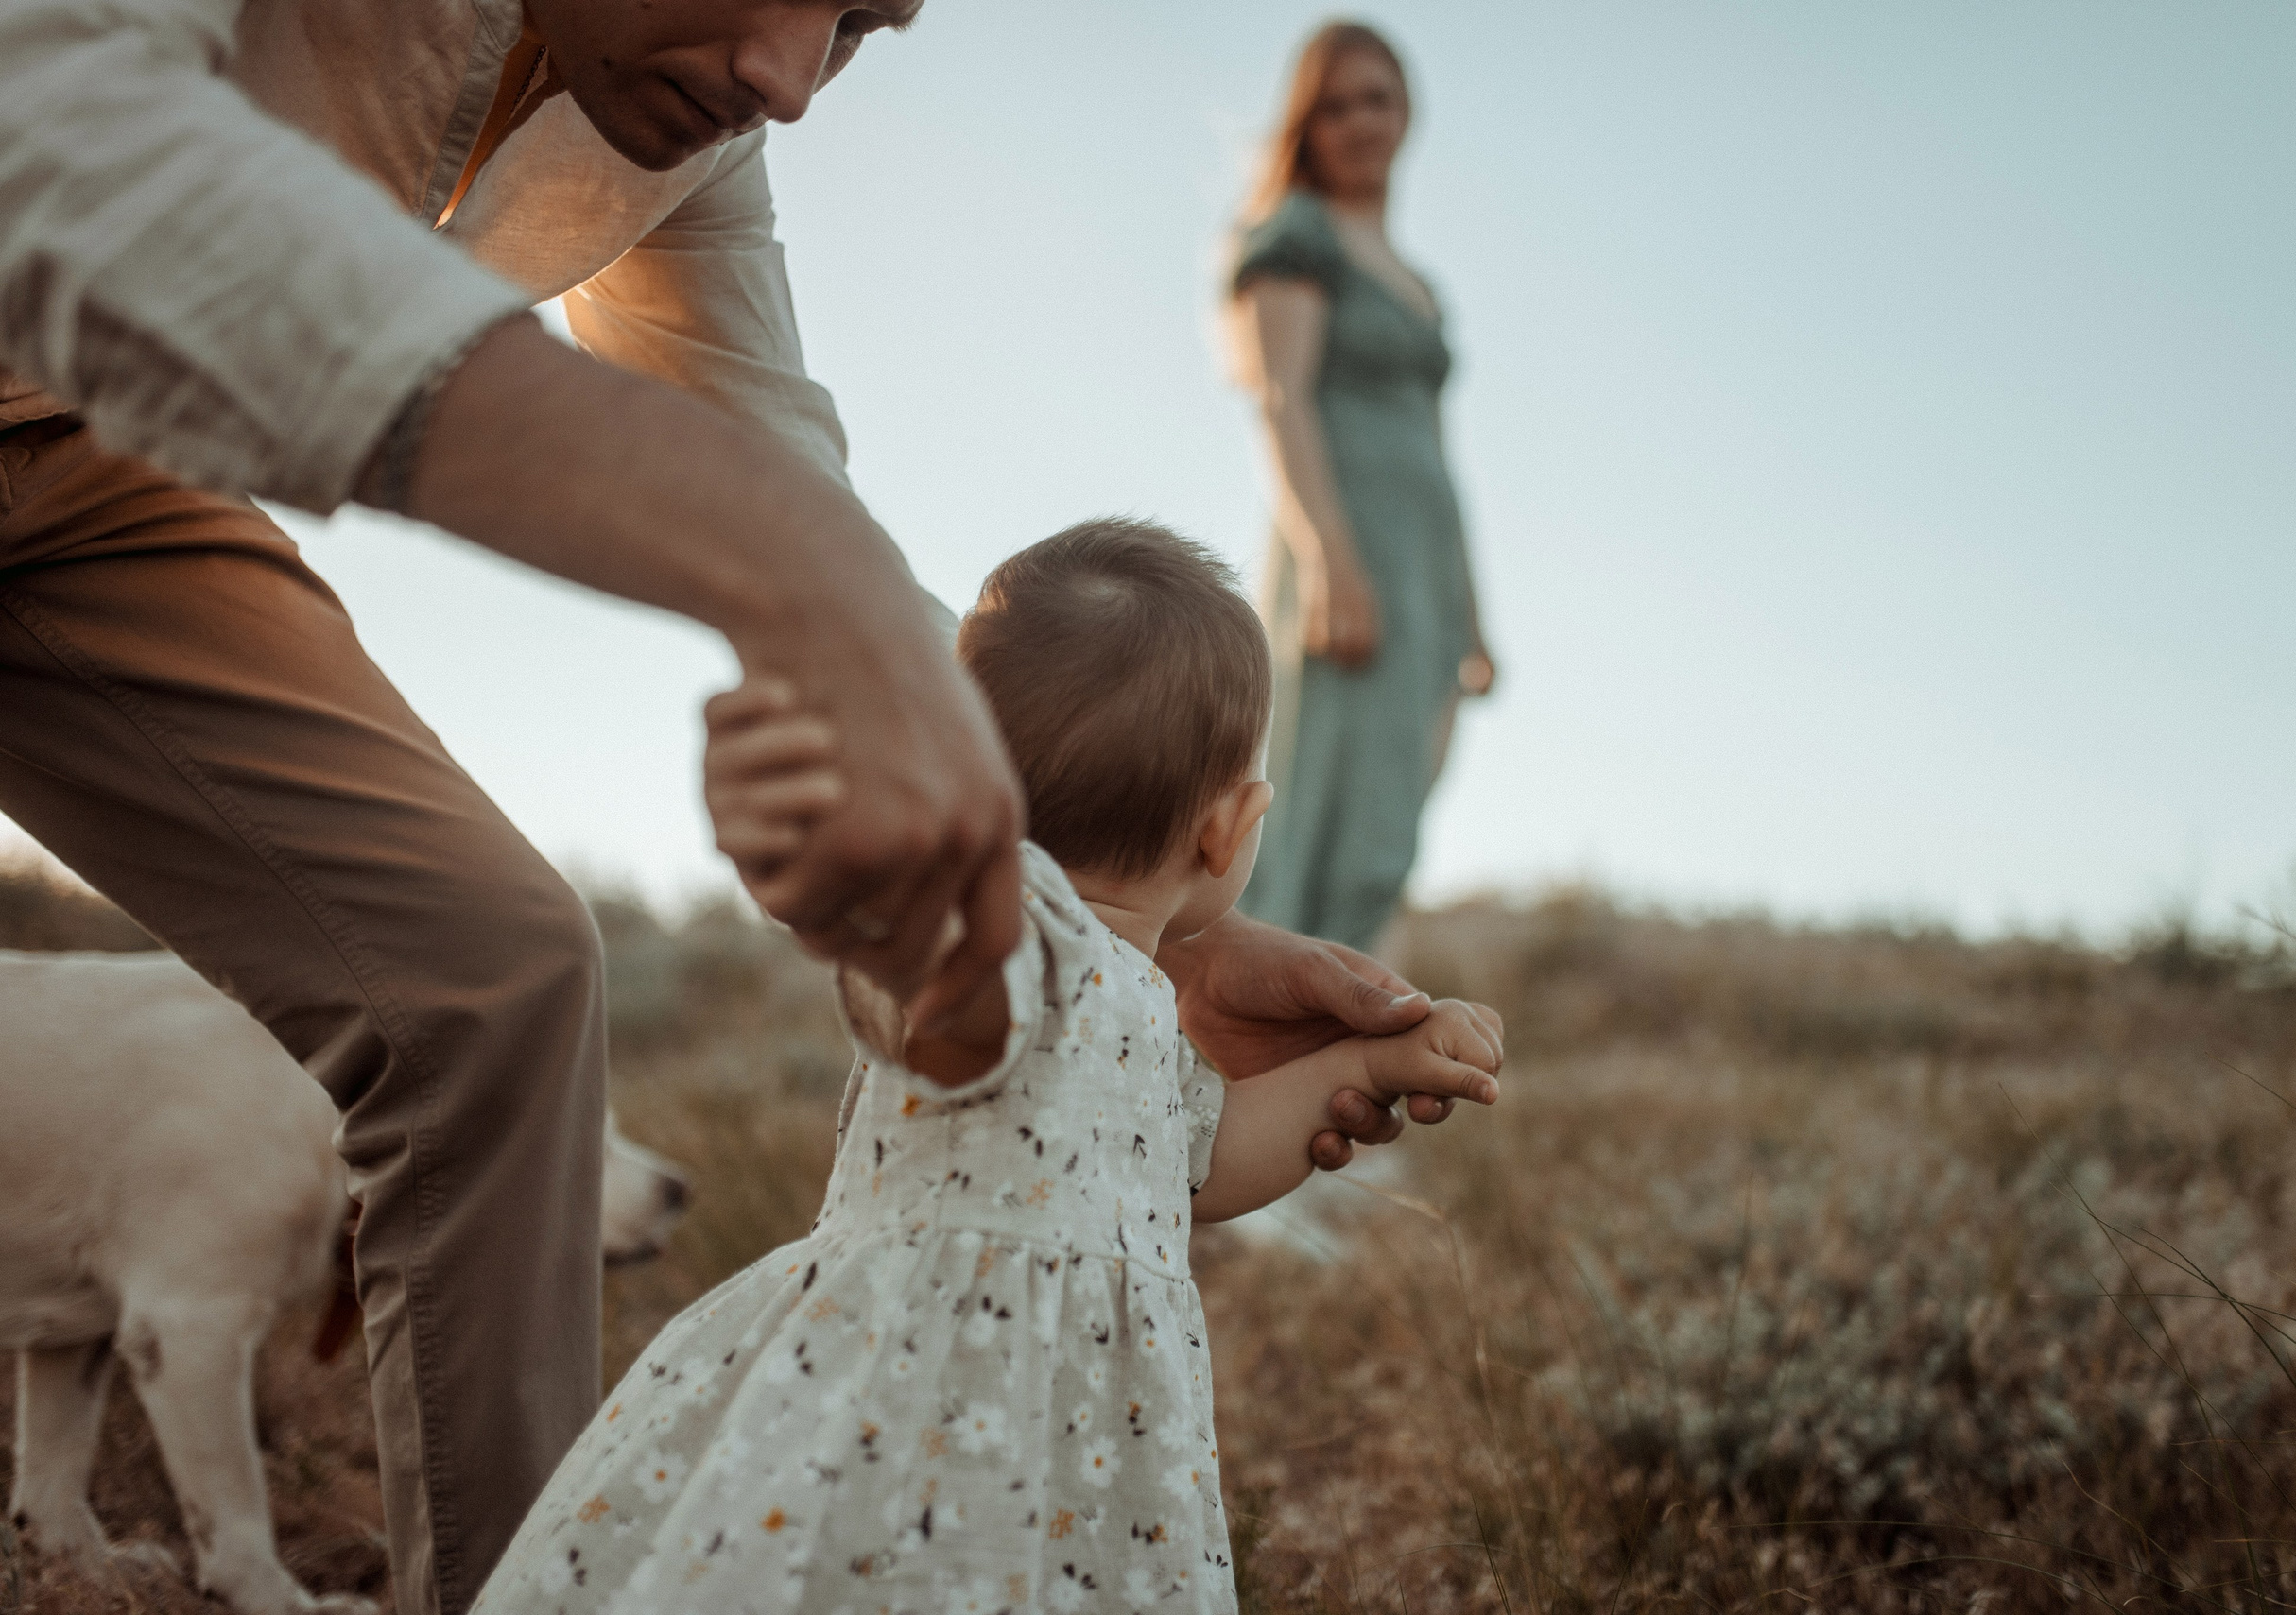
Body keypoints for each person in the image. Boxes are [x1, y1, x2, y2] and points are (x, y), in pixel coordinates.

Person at [0, 6, 1463, 1612]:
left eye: (855, 25)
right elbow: (47, 139)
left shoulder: (690, 130)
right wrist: (792, 575)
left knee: (494, 977)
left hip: (95, 489)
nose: (786, 76)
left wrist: (1122, 918)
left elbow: (763, 451)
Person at [470, 519, 1505, 1614]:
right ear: (1231, 825)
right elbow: (946, 1000)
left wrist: (1371, 1058)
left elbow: (1206, 1162)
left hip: (1082, 1442)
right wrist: (870, 898)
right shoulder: (1023, 927)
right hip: (913, 1407)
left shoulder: (1143, 999)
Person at [1225, 21, 1496, 954]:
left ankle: (1338, 1055)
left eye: (1374, 98)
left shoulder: (1416, 283)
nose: (1357, 123)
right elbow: (1281, 400)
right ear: (1306, 124)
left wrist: (1472, 612)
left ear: (1406, 110)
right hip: (1346, 560)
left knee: (1391, 824)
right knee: (1312, 818)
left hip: (1425, 579)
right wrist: (1331, 559)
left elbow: (1437, 455)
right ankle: (1247, 1046)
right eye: (1333, 105)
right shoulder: (1296, 237)